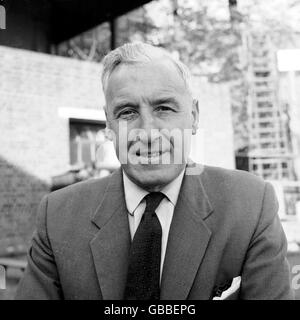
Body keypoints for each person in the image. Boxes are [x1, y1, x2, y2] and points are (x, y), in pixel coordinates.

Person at [15, 42, 293, 300]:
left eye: (164, 108)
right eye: (127, 113)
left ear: (194, 116)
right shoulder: (58, 216)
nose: (148, 133)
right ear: (109, 125)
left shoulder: (251, 205)